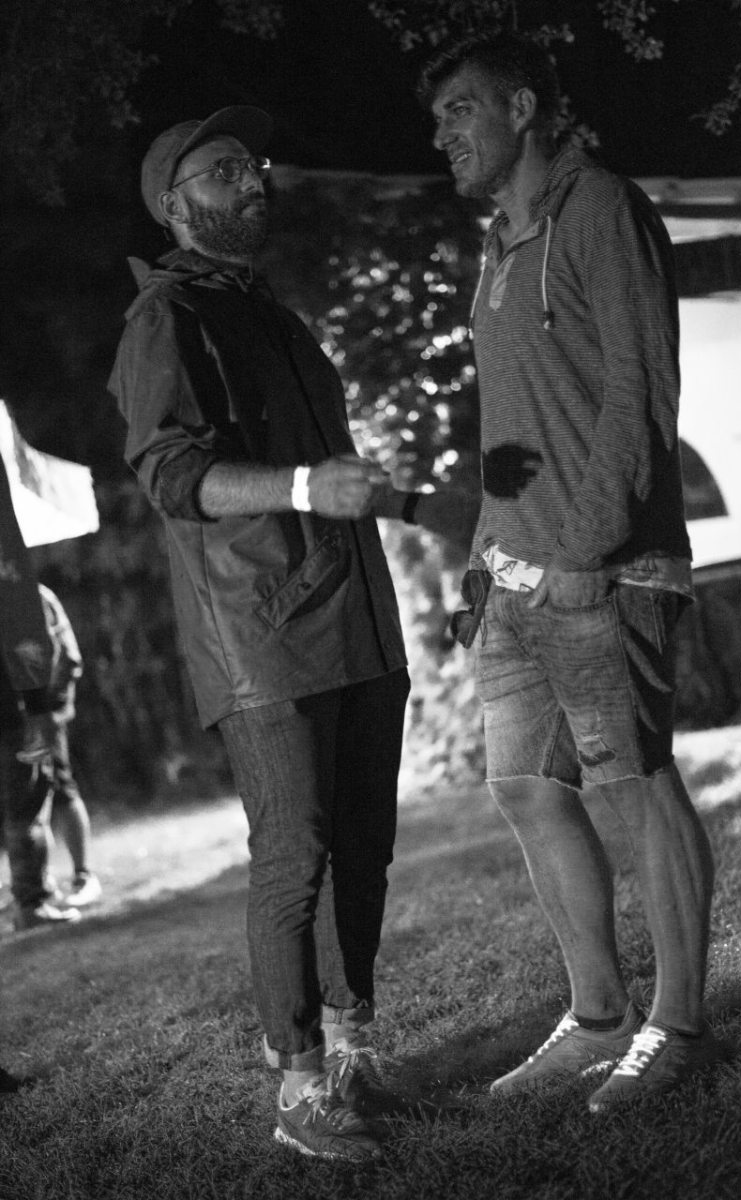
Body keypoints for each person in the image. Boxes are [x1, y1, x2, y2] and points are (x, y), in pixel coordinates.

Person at [108, 105, 452, 1162]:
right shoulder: (167, 319)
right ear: (175, 203)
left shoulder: (273, 317)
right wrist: (303, 486)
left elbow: (334, 479)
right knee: (294, 853)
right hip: (258, 634)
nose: (254, 181)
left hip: (353, 616)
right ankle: (298, 1084)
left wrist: (423, 506)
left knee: (363, 845)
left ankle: (352, 1049)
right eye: (225, 171)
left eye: (253, 165)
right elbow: (172, 474)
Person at [421, 32, 724, 1113]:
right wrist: (480, 570)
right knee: (525, 787)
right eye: (437, 119)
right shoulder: (497, 245)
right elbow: (513, 428)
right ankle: (598, 1019)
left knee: (636, 786)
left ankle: (677, 1025)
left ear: (521, 107)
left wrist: (585, 552)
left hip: (605, 568)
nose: (443, 135)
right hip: (513, 579)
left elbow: (641, 394)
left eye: (460, 110)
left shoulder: (600, 209)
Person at [0, 455, 77, 1092]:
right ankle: (30, 901)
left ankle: (32, 897)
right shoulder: (14, 593)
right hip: (15, 719)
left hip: (22, 716)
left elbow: (59, 652)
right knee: (25, 809)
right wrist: (37, 710)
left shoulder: (28, 595)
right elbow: (38, 651)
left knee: (32, 805)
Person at [37, 584, 101, 909]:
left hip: (43, 712)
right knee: (26, 802)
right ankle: (38, 883)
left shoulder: (35, 595)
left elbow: (68, 656)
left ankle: (83, 875)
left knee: (60, 787)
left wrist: (50, 709)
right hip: (12, 718)